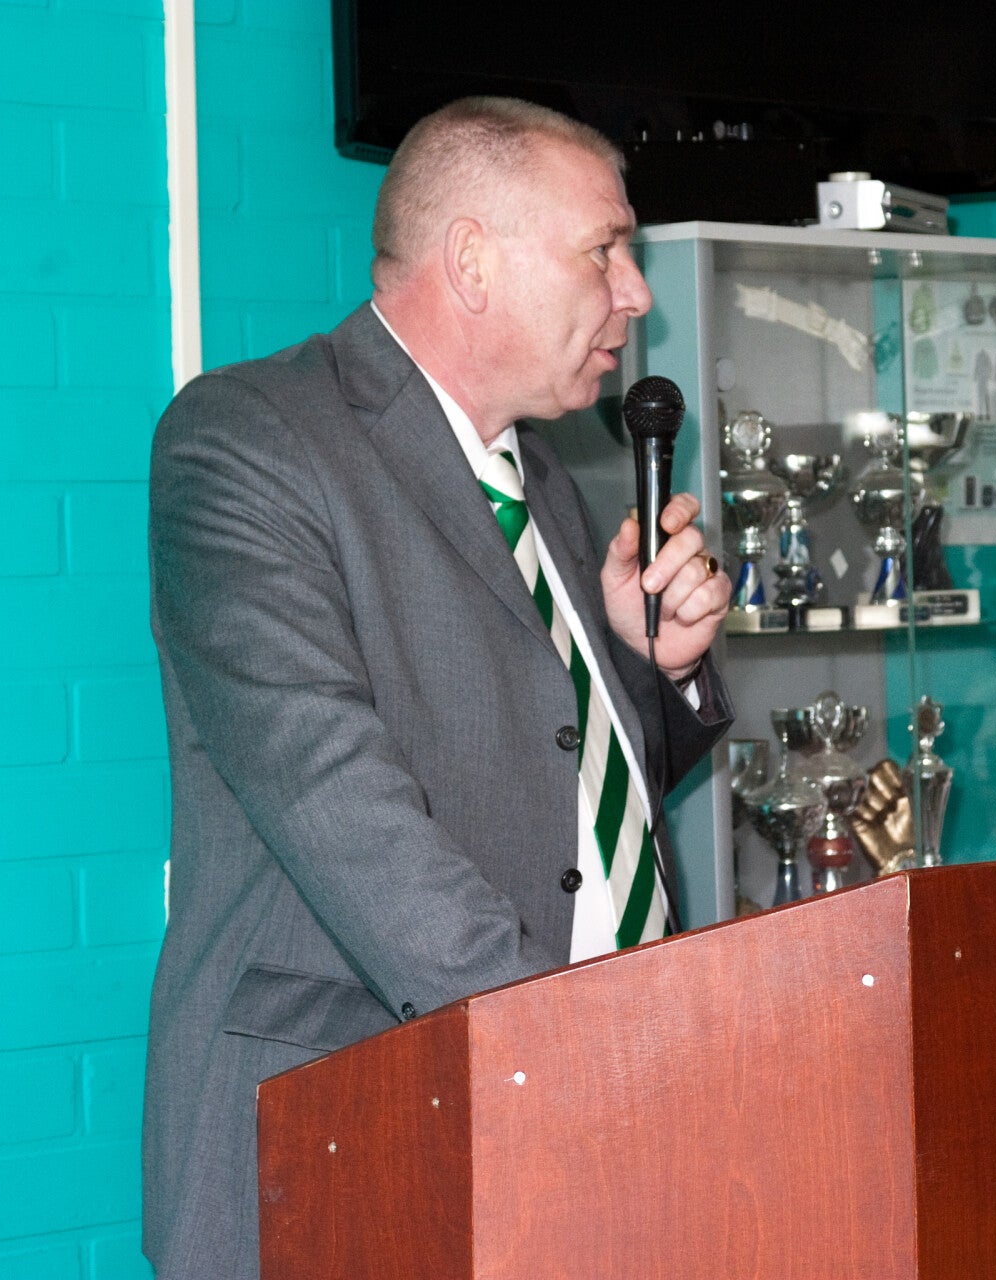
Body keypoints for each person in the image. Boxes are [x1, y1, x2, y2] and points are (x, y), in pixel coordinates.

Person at [140, 97, 734, 1279]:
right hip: (348, 1127)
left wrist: (653, 668)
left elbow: (562, 799)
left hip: (559, 1129)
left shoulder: (538, 475)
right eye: (604, 250)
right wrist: (580, 1048)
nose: (636, 293)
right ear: (472, 260)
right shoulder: (250, 441)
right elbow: (336, 799)